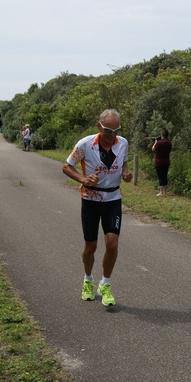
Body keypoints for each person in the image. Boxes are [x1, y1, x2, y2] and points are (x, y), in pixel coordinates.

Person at [62, 109, 133, 306]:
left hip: (113, 199)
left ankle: (106, 283)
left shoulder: (123, 143)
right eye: (108, 130)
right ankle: (87, 280)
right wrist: (84, 179)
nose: (112, 135)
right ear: (99, 126)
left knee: (112, 244)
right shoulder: (85, 144)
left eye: (116, 130)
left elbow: (124, 164)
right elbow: (67, 166)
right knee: (90, 247)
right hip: (91, 199)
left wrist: (126, 174)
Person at [152, 129, 173, 196]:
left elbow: (153, 149)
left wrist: (155, 142)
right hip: (166, 161)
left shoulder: (159, 143)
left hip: (159, 162)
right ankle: (165, 191)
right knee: (164, 176)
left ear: (162, 135)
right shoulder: (169, 143)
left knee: (160, 176)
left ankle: (161, 192)